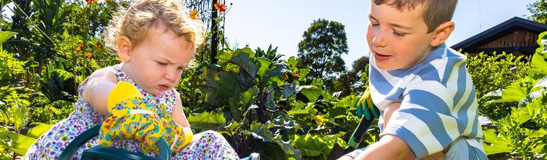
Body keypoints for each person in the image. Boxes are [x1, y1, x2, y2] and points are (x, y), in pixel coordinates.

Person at [24, 0, 239, 159]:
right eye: (162, 64)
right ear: (127, 49)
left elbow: (185, 132)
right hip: (92, 151)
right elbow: (97, 89)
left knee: (210, 139)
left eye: (180, 68)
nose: (171, 76)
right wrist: (127, 105)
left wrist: (176, 133)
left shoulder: (171, 98)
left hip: (146, 155)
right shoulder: (111, 76)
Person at [340, 0, 487, 159]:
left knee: (394, 112)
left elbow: (399, 146)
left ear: (439, 34)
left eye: (398, 32)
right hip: (406, 139)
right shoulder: (390, 51)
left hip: (461, 152)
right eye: (374, 23)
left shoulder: (437, 78)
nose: (377, 40)